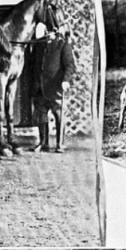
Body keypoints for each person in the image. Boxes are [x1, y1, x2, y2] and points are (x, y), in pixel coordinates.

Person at [30, 22, 77, 153]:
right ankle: (43, 143)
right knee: (41, 115)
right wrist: (34, 82)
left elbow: (70, 66)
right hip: (40, 86)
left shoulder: (62, 45)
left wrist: (66, 80)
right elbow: (33, 65)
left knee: (58, 114)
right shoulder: (39, 46)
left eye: (51, 31)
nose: (48, 34)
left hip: (55, 86)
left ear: (56, 32)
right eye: (47, 31)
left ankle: (59, 144)